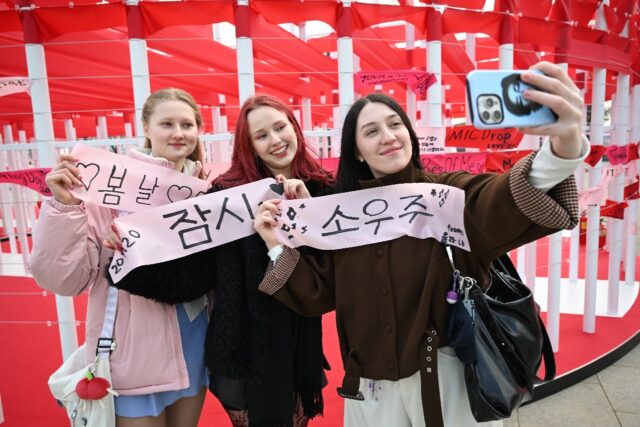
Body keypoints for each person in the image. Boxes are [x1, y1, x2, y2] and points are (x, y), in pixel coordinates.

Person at [252, 62, 587, 427]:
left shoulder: (445, 194)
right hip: (369, 391)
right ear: (357, 152)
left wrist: (563, 148)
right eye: (371, 131)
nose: (388, 136)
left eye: (396, 125)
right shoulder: (342, 213)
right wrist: (275, 244)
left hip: (449, 380)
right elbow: (319, 293)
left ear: (410, 135)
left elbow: (499, 199)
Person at [107, 94, 333, 427]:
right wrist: (127, 260)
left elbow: (333, 273)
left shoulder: (323, 189)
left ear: (295, 128)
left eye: (280, 127)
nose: (276, 140)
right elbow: (195, 275)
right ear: (249, 145)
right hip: (242, 352)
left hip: (299, 347)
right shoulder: (226, 194)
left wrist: (306, 215)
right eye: (261, 135)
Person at [29, 88, 210, 427]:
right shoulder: (108, 186)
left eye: (187, 124)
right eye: (167, 123)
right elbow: (63, 278)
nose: (178, 133)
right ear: (146, 126)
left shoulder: (204, 188)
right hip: (130, 350)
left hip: (192, 340)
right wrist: (65, 206)